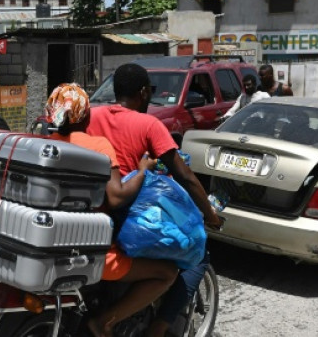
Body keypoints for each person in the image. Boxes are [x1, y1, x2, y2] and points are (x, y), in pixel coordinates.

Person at [87, 63, 223, 337]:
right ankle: (157, 328)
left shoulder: (90, 117)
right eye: (149, 92)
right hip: (127, 220)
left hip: (93, 214)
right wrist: (210, 215)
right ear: (143, 93)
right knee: (197, 254)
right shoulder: (148, 124)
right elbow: (183, 175)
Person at [45, 83, 177, 337]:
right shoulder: (97, 145)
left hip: (53, 242)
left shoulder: (48, 143)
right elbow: (116, 197)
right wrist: (143, 171)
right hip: (91, 250)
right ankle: (104, 322)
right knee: (167, 273)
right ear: (84, 114)